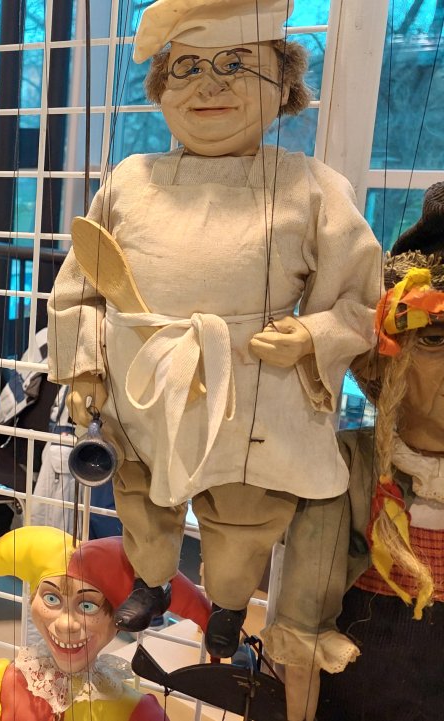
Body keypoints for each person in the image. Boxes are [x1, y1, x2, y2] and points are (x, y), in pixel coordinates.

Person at [47, 0, 381, 657]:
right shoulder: (130, 181)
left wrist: (312, 336)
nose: (209, 86)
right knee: (142, 496)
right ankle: (151, 581)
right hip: (144, 382)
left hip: (251, 387)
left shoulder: (310, 187)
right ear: (161, 87)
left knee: (243, 514)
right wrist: (84, 368)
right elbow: (82, 283)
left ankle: (227, 604)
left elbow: (358, 295)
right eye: (189, 68)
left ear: (283, 85)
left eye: (235, 65)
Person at [264, 186, 444, 721]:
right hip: (355, 694)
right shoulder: (347, 469)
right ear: (384, 359)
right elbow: (305, 619)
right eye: (435, 340)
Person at [0, 526, 210, 721]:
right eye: (51, 598)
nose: (65, 624)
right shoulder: (0, 683)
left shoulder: (135, 714)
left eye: (87, 606)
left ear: (119, 618)